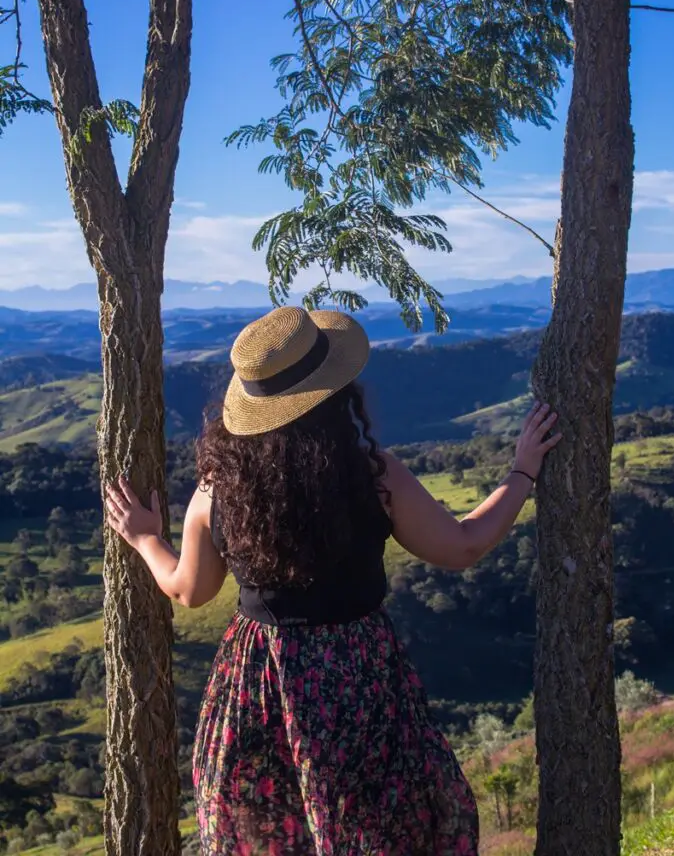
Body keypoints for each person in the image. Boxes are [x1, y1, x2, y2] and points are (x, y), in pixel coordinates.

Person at [106, 306, 561, 856]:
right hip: (357, 676)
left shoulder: (216, 488)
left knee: (271, 833)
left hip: (258, 679)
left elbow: (188, 590)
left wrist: (144, 538)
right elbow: (462, 544)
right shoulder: (372, 474)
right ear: (333, 394)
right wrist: (522, 472)